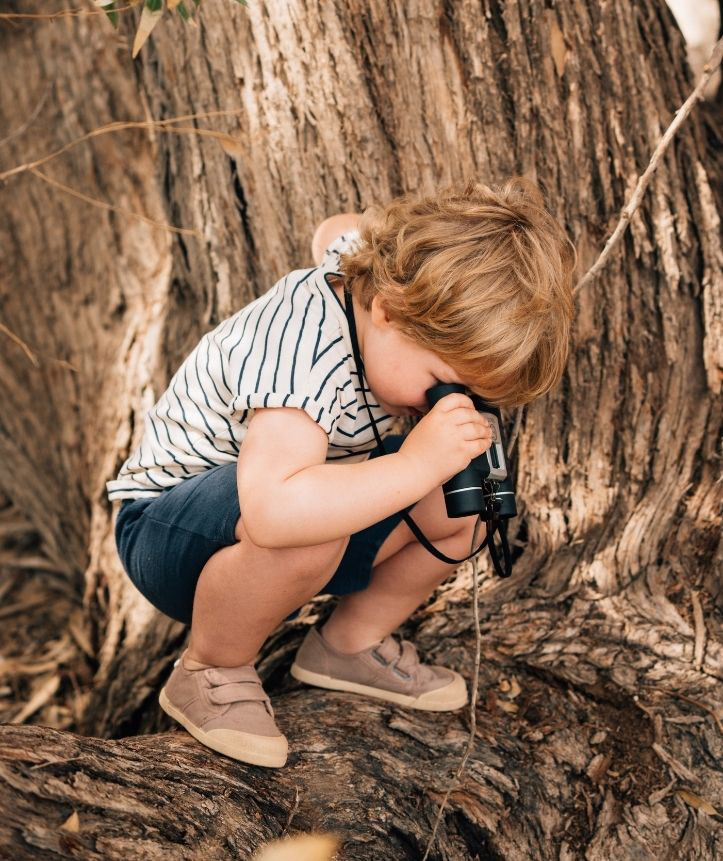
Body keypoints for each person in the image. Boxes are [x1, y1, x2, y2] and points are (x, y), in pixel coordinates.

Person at [108, 177, 576, 768]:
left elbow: (335, 230)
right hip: (169, 534)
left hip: (291, 523)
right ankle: (209, 669)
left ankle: (347, 645)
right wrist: (416, 462)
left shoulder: (375, 279)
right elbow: (276, 513)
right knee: (311, 522)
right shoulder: (301, 355)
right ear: (387, 311)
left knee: (466, 508)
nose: (443, 402)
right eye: (443, 381)